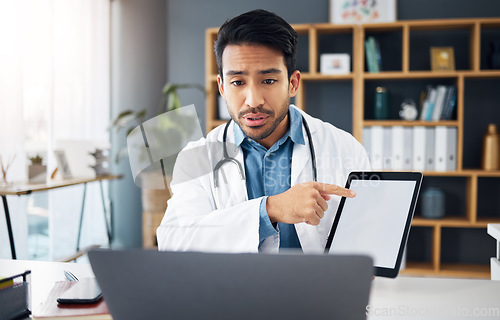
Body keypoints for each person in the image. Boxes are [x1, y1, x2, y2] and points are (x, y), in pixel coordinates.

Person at [156, 9, 370, 253]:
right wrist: (271, 209)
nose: (253, 100)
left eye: (268, 81)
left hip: (316, 290)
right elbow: (175, 243)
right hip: (233, 290)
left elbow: (370, 234)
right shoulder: (196, 158)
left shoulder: (344, 147)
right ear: (222, 87)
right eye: (237, 82)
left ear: (292, 83)